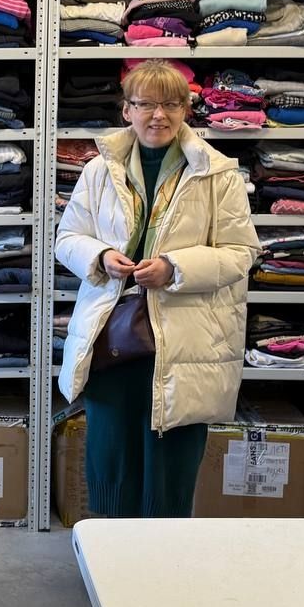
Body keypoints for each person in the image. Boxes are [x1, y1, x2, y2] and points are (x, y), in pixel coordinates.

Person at [55, 60, 259, 518]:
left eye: (171, 104)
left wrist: (174, 268)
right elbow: (67, 239)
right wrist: (101, 257)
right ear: (127, 110)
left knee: (173, 454)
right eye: (146, 104)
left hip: (187, 336)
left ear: (186, 110)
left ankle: (165, 551)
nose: (158, 115)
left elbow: (241, 252)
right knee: (111, 448)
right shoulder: (98, 171)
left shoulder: (217, 174)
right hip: (112, 333)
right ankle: (113, 544)